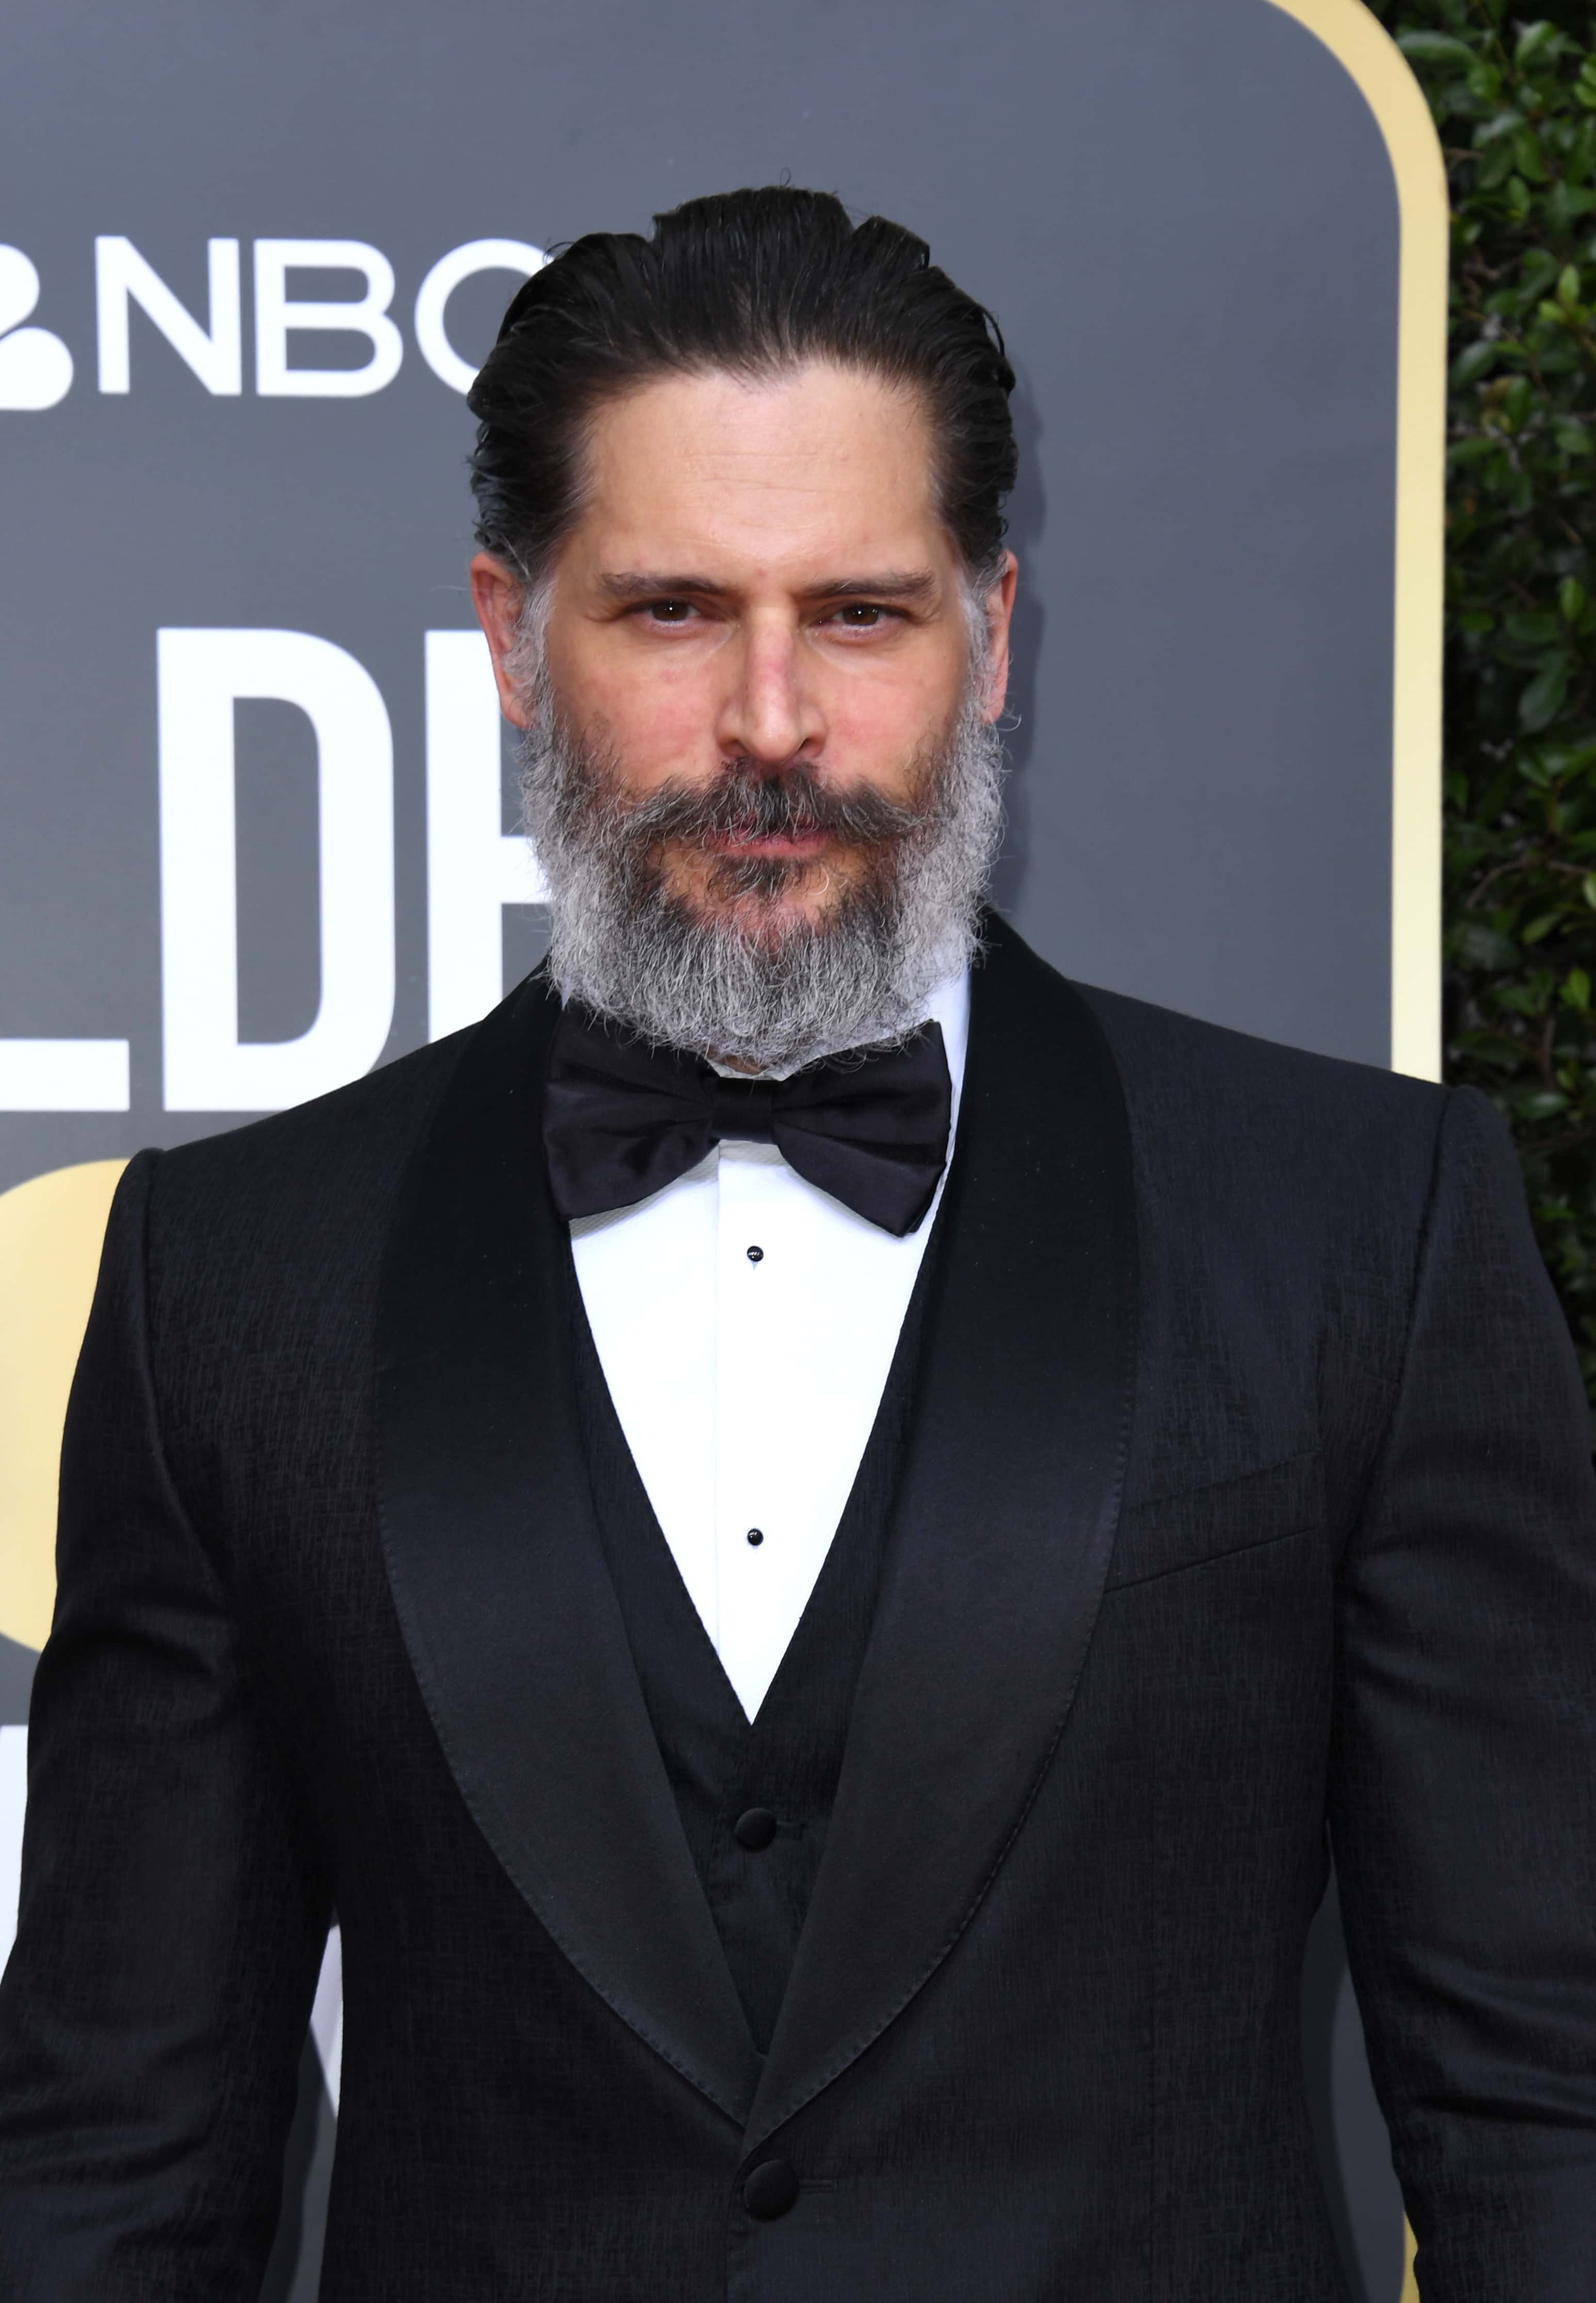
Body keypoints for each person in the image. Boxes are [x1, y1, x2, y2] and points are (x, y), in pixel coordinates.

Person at [1, 184, 1593, 2302]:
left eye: (859, 613)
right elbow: (116, 2165)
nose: (770, 722)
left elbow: (1543, 2110)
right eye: (672, 612)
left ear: (992, 637)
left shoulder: (1361, 1231)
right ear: (509, 637)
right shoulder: (229, 1282)